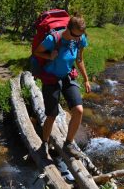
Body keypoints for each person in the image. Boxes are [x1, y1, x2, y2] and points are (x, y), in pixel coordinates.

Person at [33, 14, 91, 159]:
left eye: (80, 35)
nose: (78, 38)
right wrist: (49, 56)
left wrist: (86, 79)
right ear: (68, 29)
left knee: (78, 110)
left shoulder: (79, 39)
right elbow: (37, 51)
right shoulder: (53, 39)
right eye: (76, 35)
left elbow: (79, 59)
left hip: (67, 75)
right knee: (52, 115)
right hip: (51, 78)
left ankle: (69, 144)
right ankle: (44, 144)